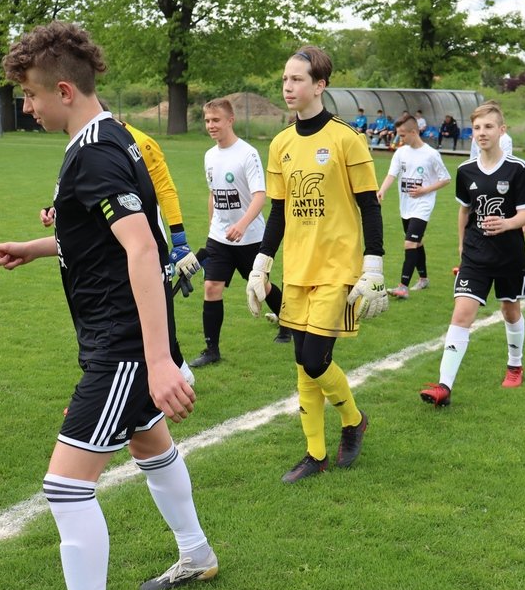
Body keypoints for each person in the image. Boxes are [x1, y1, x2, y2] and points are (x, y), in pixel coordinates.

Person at [0, 22, 217, 590]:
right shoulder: (115, 137)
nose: (27, 107)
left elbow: (142, 249)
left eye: (31, 95)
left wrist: (156, 361)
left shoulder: (94, 153)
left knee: (65, 487)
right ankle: (196, 553)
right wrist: (38, 246)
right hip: (125, 339)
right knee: (149, 444)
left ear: (63, 90)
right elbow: (103, 237)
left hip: (121, 346)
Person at [246, 45, 386, 483]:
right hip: (298, 268)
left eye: (297, 79)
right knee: (302, 362)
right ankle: (316, 454)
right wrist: (261, 264)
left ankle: (354, 420)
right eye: (285, 79)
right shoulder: (281, 143)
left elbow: (370, 205)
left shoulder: (347, 138)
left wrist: (374, 267)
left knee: (314, 358)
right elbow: (278, 211)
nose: (288, 87)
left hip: (338, 268)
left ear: (320, 85)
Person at [39, 100, 199, 385]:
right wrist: (60, 212)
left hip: (136, 261)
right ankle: (169, 373)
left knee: (146, 341)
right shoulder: (98, 141)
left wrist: (179, 241)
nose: (28, 108)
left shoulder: (108, 144)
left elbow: (163, 191)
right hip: (124, 256)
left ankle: (168, 372)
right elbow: (101, 197)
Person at [420, 102, 525, 407]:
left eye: (488, 127)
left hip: (509, 256)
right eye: (477, 128)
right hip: (475, 255)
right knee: (461, 314)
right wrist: (462, 247)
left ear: (501, 130)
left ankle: (515, 365)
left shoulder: (517, 169)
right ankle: (444, 386)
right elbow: (464, 211)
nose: (482, 133)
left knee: (510, 311)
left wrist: (506, 223)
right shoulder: (465, 170)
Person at [188, 98, 289, 368]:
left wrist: (242, 225)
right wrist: (213, 226)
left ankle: (288, 324)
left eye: (216, 120)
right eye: (207, 120)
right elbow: (213, 194)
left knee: (261, 287)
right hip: (219, 238)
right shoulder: (209, 155)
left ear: (230, 120)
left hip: (251, 237)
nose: (211, 125)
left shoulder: (247, 154)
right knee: (211, 287)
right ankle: (211, 350)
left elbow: (260, 196)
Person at [377, 114, 451, 298]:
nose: (400, 138)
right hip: (406, 206)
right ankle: (424, 279)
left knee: (410, 243)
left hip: (422, 206)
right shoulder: (400, 153)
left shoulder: (431, 154)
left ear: (414, 132)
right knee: (417, 242)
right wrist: (382, 190)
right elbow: (392, 174)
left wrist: (424, 190)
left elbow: (446, 179)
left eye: (402, 135)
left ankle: (403, 287)